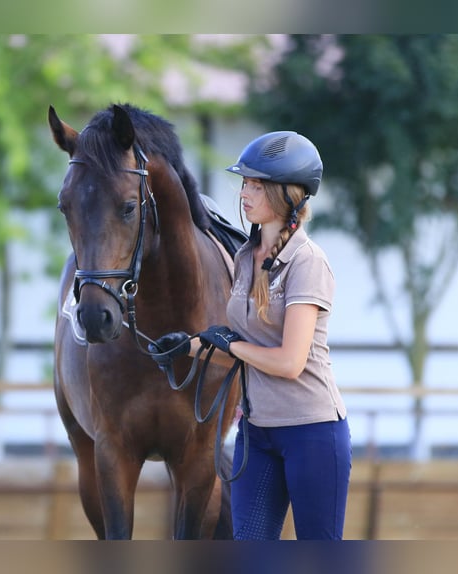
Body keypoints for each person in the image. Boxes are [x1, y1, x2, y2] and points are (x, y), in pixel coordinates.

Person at [149, 131, 351, 540]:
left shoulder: (308, 263)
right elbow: (239, 350)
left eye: (256, 185)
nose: (245, 192)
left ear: (286, 194)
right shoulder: (245, 256)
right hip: (256, 434)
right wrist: (188, 347)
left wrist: (231, 344)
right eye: (245, 183)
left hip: (311, 433)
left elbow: (288, 362)